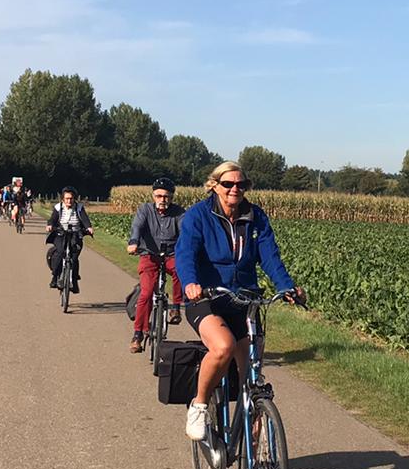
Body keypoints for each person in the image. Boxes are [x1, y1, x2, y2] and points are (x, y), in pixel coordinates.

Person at [174, 161, 303, 442]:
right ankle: (199, 405)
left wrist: (286, 286)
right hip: (207, 297)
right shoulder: (199, 215)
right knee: (223, 347)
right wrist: (191, 283)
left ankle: (255, 444)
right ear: (214, 185)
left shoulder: (256, 217)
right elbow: (185, 253)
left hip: (245, 298)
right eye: (228, 184)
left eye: (241, 184)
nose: (235, 189)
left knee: (252, 374)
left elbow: (270, 256)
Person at [127, 177, 185, 353]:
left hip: (171, 254)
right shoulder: (145, 210)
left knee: (181, 270)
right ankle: (138, 334)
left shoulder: (179, 213)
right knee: (146, 293)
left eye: (166, 196)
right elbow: (137, 226)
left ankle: (175, 307)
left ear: (172, 197)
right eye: (159, 196)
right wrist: (134, 242)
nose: (162, 200)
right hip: (149, 254)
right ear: (153, 196)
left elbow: (185, 231)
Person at [44, 186, 93, 293]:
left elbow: (85, 219)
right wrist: (50, 225)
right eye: (66, 198)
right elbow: (52, 219)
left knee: (74, 258)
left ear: (74, 198)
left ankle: (74, 281)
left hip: (75, 234)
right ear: (63, 199)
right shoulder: (58, 207)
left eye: (71, 198)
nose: (69, 201)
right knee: (60, 252)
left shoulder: (79, 208)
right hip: (60, 234)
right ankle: (55, 277)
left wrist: (89, 227)